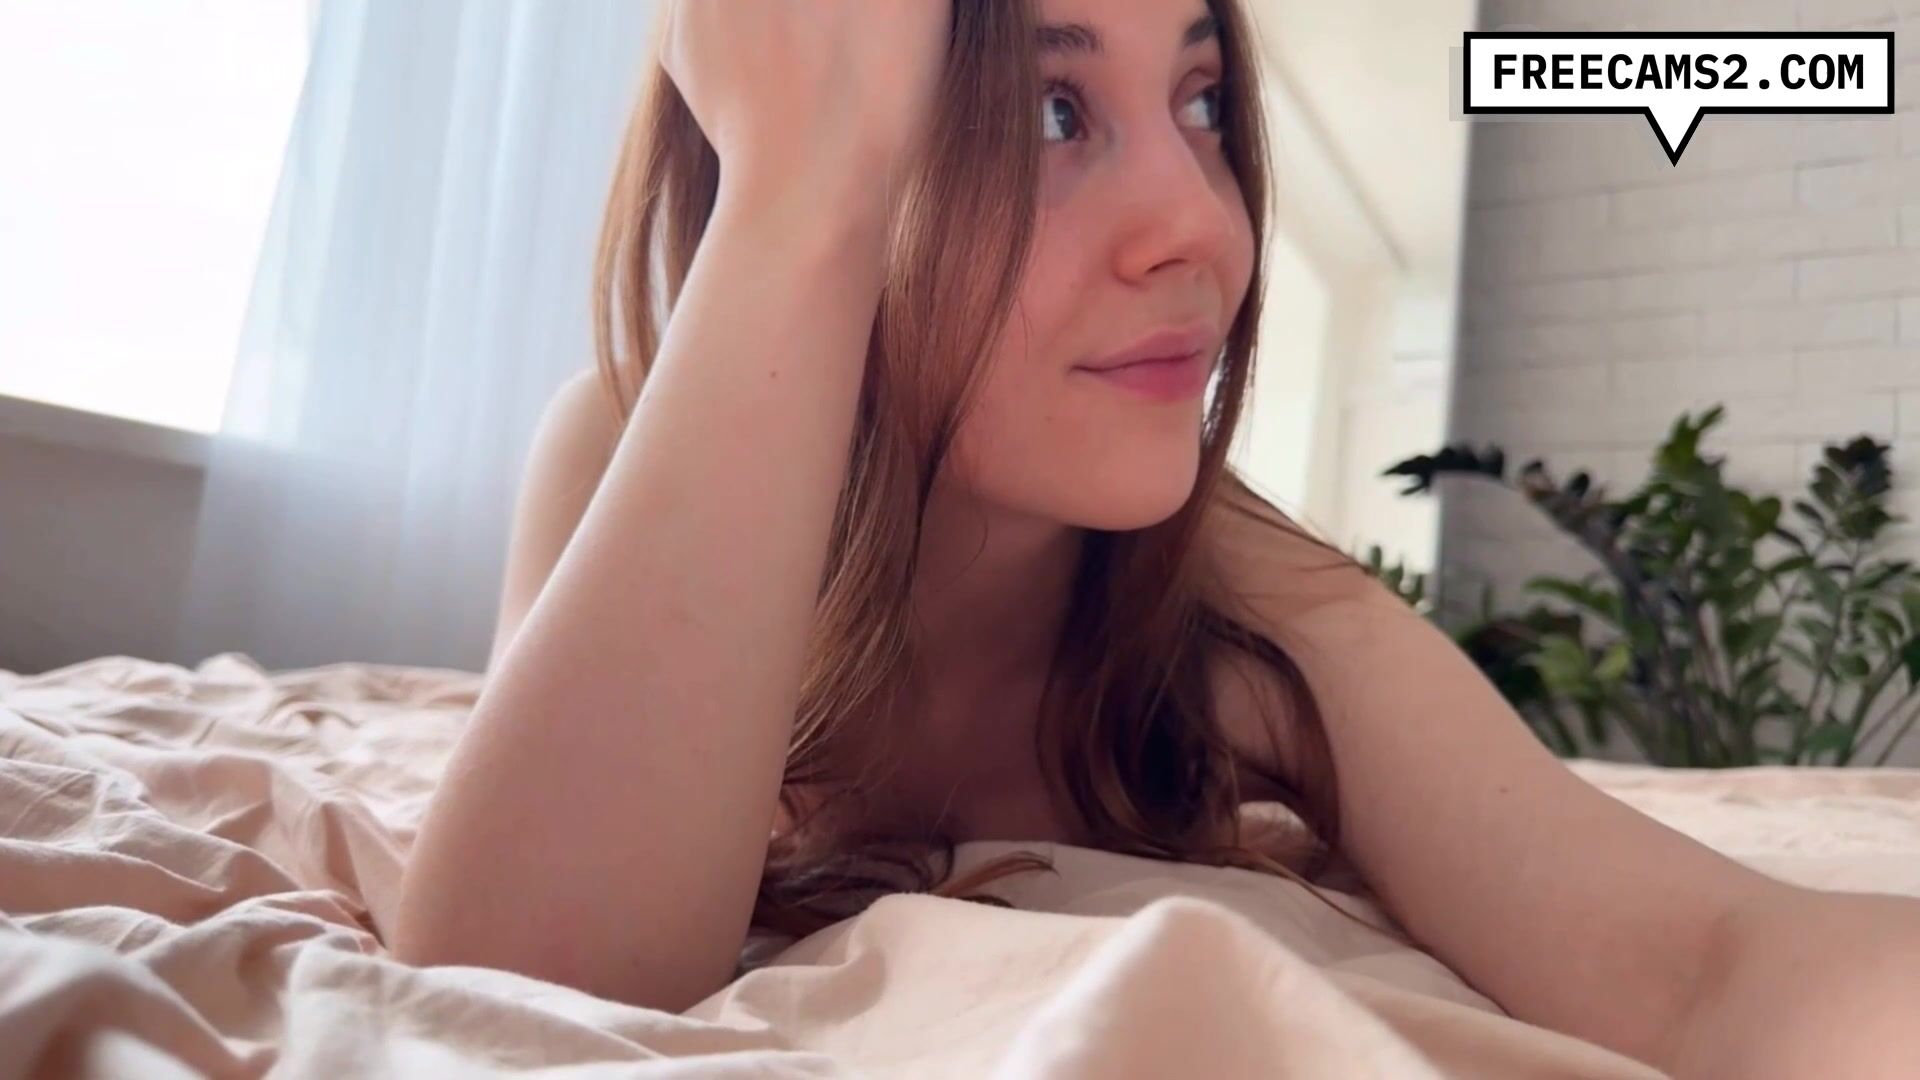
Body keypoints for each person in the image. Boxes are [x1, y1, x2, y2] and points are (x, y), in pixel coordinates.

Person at [393, 2, 1920, 1075]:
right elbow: (519, 984)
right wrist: (796, 196)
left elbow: (1699, 958)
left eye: (1201, 105)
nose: (1200, 226)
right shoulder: (617, 440)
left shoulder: (1248, 603)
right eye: (1051, 114)